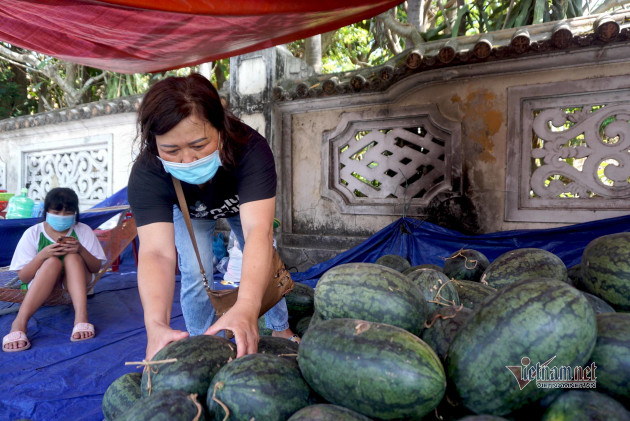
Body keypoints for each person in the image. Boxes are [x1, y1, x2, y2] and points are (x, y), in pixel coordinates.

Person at [128, 73, 297, 361]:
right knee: (195, 270)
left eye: (198, 145)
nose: (187, 160)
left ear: (220, 126)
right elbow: (156, 253)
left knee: (263, 254)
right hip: (188, 211)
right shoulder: (148, 174)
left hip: (240, 205)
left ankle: (280, 328)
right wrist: (155, 324)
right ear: (153, 143)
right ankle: (202, 345)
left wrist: (245, 307)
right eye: (171, 150)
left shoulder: (250, 149)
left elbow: (258, 231)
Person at [2, 187, 106, 352]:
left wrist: (80, 249)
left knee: (73, 257)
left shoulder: (83, 231)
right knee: (53, 262)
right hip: (41, 286)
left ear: (75, 213)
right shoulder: (33, 233)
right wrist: (41, 255)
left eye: (68, 213)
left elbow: (95, 268)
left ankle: (81, 317)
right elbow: (24, 278)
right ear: (46, 212)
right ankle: (19, 323)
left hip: (74, 285)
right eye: (57, 212)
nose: (62, 217)